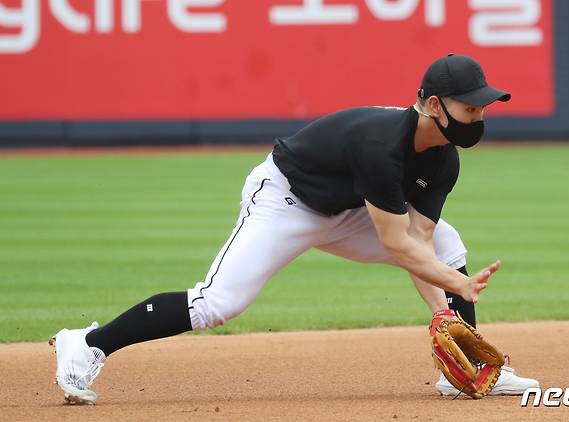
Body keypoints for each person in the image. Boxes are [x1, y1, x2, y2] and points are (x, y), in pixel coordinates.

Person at [50, 53, 538, 405]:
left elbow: (421, 242)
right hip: (285, 199)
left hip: (346, 210)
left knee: (447, 243)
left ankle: (462, 371)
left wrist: (441, 317)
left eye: (482, 107)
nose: (480, 116)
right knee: (218, 303)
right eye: (470, 107)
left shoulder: (443, 158)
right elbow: (396, 244)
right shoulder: (380, 144)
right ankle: (87, 344)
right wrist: (455, 285)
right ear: (435, 105)